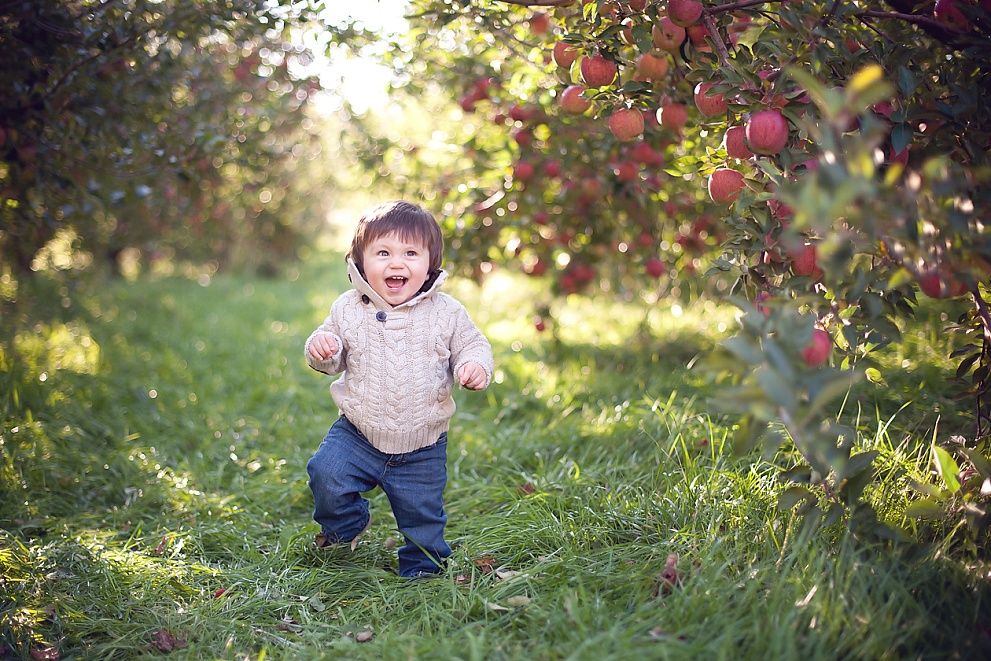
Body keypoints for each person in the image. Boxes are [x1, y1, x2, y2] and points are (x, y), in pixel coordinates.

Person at [303, 200, 494, 578]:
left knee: (422, 514)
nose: (396, 264)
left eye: (410, 253)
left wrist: (474, 365)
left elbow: (473, 345)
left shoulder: (447, 312)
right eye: (383, 253)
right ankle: (346, 526)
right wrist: (322, 348)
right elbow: (330, 351)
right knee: (326, 474)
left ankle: (423, 569)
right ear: (360, 262)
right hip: (357, 433)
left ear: (429, 264)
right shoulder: (347, 308)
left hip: (423, 444)